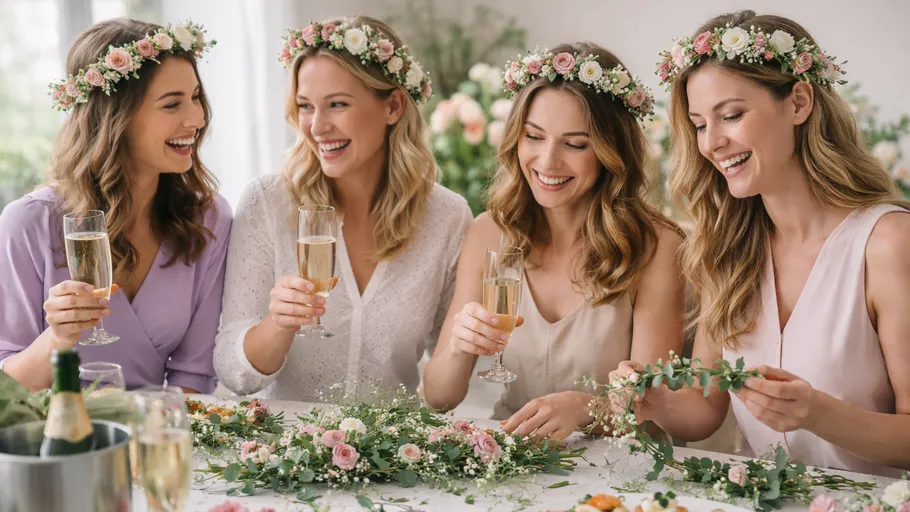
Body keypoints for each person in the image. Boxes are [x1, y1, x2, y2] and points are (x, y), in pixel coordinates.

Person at [611, 10, 910, 476]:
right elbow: (704, 410)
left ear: (799, 103)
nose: (712, 143)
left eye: (731, 115)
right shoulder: (725, 247)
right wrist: (652, 401)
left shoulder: (887, 244)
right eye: (699, 124)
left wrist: (818, 414)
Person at [422, 43, 685, 441]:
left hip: (618, 468)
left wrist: (586, 408)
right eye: (534, 136)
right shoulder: (489, 231)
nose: (547, 161)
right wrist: (460, 345)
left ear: (610, 152)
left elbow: (655, 412)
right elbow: (438, 398)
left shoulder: (657, 246)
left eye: (575, 144)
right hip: (511, 455)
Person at [213, 16, 472, 401]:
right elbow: (235, 375)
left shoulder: (447, 216)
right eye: (305, 106)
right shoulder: (268, 200)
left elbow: (444, 387)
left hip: (394, 454)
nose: (317, 127)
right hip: (281, 450)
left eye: (337, 104)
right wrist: (279, 324)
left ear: (394, 106)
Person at [0, 18, 230, 393]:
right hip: (57, 438)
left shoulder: (207, 218)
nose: (197, 119)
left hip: (161, 433)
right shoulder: (30, 222)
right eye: (173, 104)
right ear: (115, 117)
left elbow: (194, 378)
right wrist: (57, 337)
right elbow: (7, 394)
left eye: (196, 98)